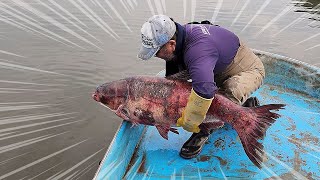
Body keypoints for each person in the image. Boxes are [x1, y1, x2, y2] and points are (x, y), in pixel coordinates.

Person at [137, 14, 265, 159]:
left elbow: (205, 93)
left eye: (157, 52)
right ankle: (246, 105)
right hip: (214, 66)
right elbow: (172, 83)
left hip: (246, 68)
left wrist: (191, 122)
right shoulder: (177, 40)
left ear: (171, 44)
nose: (156, 56)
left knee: (226, 94)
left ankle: (203, 132)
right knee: (182, 87)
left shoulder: (197, 51)